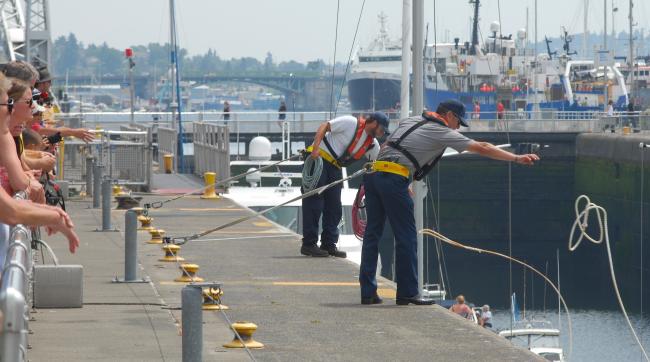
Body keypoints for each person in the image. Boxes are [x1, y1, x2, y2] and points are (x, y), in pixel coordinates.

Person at [359, 99, 539, 306]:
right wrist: (516, 158)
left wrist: (399, 177)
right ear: (450, 116)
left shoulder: (411, 120)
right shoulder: (441, 131)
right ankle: (407, 292)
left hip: (374, 175)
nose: (457, 128)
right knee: (406, 237)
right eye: (458, 122)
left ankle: (368, 292)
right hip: (393, 179)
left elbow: (392, 146)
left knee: (372, 235)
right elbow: (483, 147)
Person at [301, 112, 389, 258]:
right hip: (320, 159)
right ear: (373, 123)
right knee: (314, 203)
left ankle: (328, 244)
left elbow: (378, 164)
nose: (381, 133)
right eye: (381, 129)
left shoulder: (372, 145)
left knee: (334, 207)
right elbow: (325, 126)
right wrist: (315, 148)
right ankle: (309, 244)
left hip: (335, 167)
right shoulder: (350, 123)